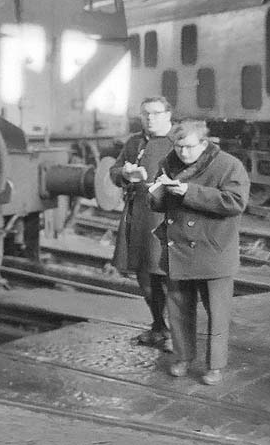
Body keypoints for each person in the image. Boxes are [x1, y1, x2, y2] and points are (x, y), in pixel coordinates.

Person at [149, 119, 249, 385]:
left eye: (189, 147)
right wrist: (156, 192)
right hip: (178, 248)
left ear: (204, 144)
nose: (183, 153)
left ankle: (215, 365)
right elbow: (157, 202)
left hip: (213, 249)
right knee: (179, 309)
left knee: (217, 313)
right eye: (178, 146)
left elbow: (235, 202)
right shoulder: (170, 162)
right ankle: (183, 357)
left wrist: (188, 192)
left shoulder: (228, 165)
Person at [108, 96, 174, 350]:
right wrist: (124, 174)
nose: (150, 118)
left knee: (166, 276)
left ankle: (172, 331)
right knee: (144, 276)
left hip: (163, 216)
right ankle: (158, 327)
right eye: (146, 113)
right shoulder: (134, 141)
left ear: (168, 114)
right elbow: (114, 170)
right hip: (136, 215)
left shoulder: (176, 142)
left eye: (156, 113)